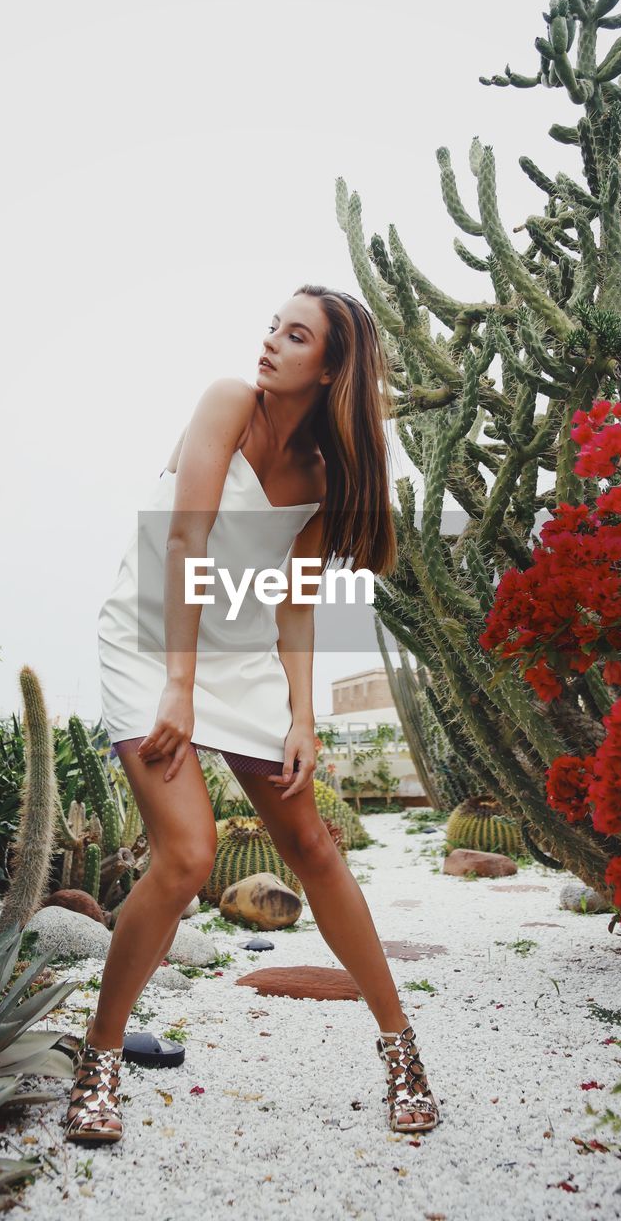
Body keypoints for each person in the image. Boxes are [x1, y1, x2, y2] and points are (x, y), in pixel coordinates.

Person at [64, 284, 440, 1142]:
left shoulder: (320, 473)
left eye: (294, 334)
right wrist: (180, 687)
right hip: (151, 647)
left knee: (311, 843)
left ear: (332, 365)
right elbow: (187, 541)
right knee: (190, 854)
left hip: (237, 661)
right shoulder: (227, 401)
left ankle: (401, 1048)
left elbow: (294, 605)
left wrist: (302, 716)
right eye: (272, 325)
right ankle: (98, 1060)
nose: (268, 342)